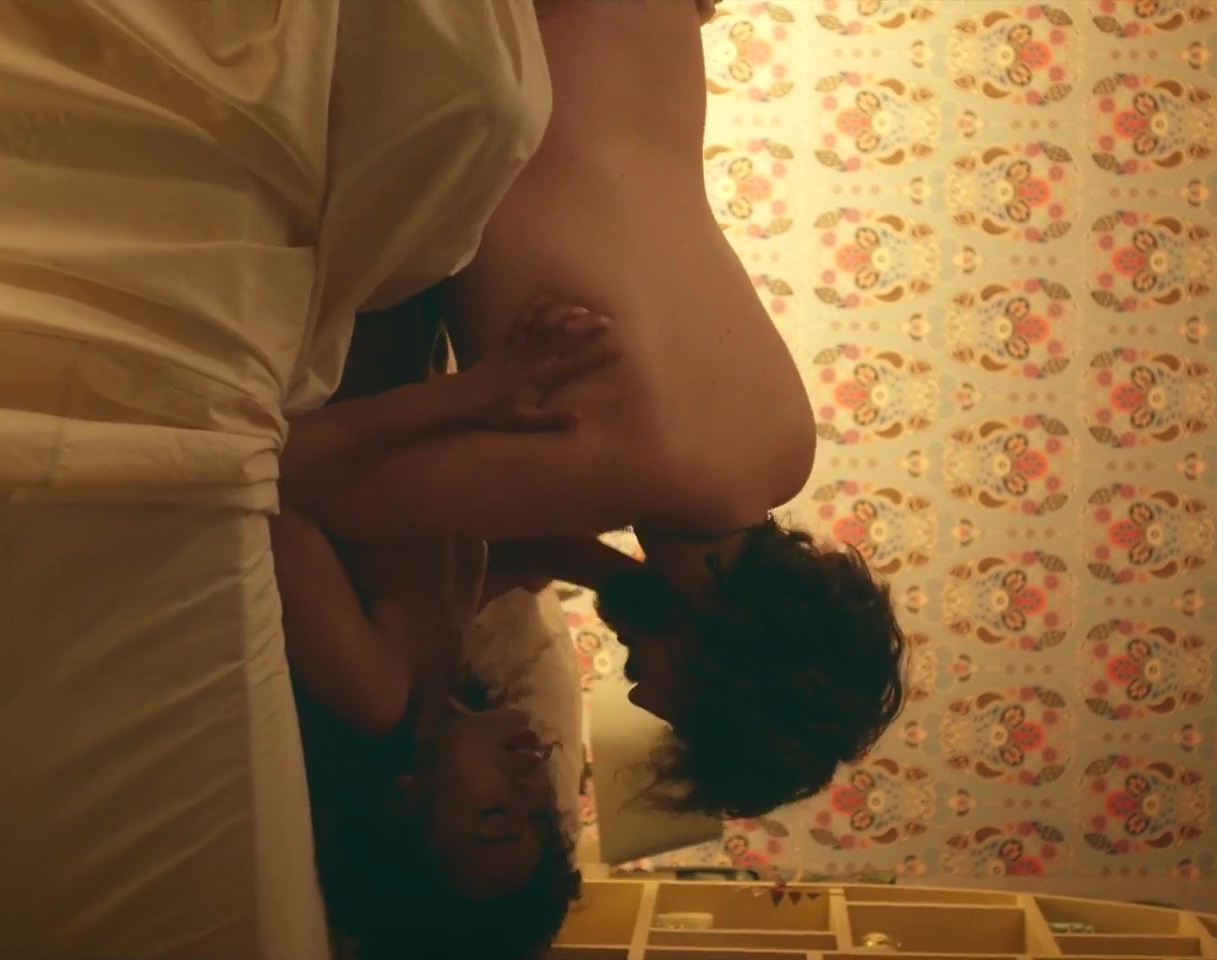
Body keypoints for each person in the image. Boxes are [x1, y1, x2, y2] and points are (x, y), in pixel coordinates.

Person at [278, 0, 906, 819]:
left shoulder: (784, 449)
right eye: (680, 712)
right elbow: (302, 483)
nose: (641, 698)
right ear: (716, 667)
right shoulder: (613, 471)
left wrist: (623, 577)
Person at [272, 296, 599, 959]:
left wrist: (470, 395)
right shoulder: (441, 675)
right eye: (539, 817)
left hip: (332, 317)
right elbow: (502, 555)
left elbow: (267, 481)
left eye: (494, 817)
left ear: (406, 802)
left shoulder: (372, 692)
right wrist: (643, 590)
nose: (531, 787)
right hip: (409, 318)